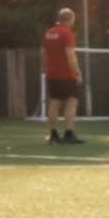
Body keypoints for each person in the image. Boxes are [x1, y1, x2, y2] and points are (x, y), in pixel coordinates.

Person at [41, 8, 83, 143]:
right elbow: (70, 55)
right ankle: (69, 134)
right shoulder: (67, 33)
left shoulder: (49, 33)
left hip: (51, 74)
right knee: (71, 102)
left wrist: (45, 68)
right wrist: (77, 73)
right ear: (70, 19)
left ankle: (53, 135)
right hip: (66, 74)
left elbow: (43, 52)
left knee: (54, 103)